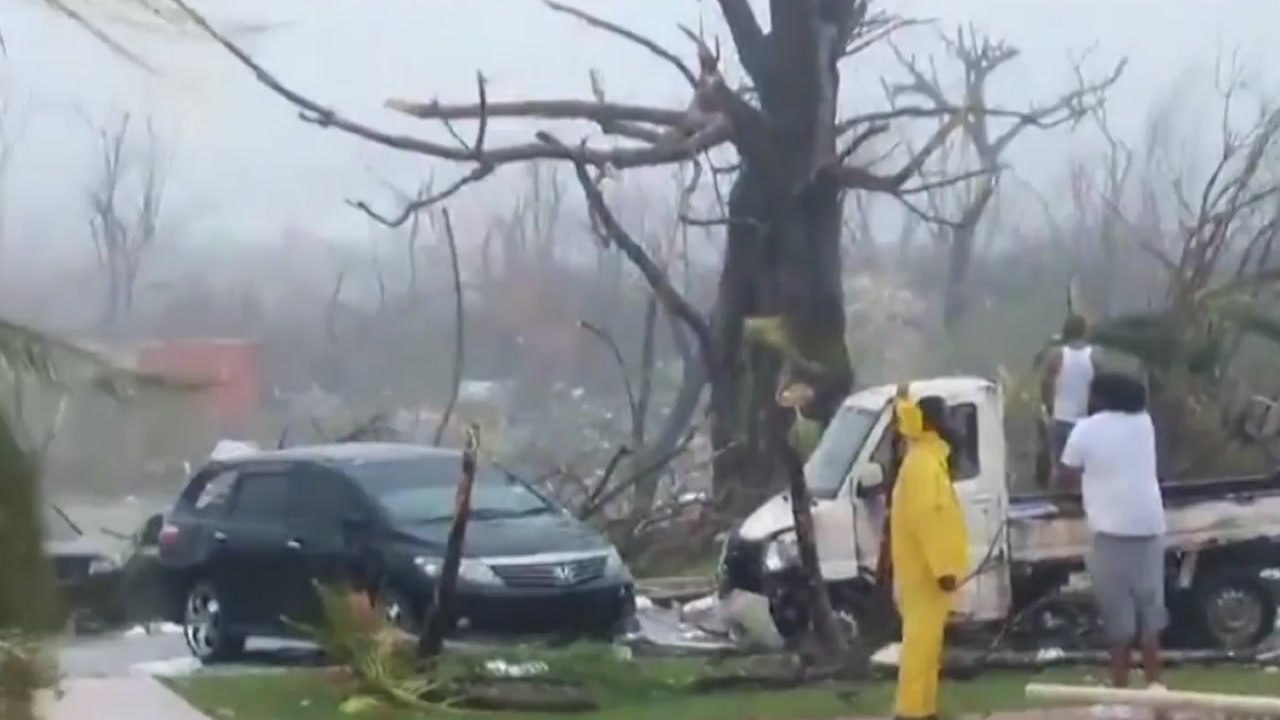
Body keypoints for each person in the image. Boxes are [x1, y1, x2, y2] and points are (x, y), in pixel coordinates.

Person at [1058, 372, 1167, 717]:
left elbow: (1064, 475)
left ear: (1101, 397)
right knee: (1150, 620)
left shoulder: (1086, 429)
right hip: (1150, 528)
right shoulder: (1144, 423)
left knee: (1119, 623)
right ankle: (1158, 699)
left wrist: (1074, 492)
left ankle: (1122, 701)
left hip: (1111, 532)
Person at [890, 383, 970, 720]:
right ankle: (911, 711)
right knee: (919, 647)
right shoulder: (923, 464)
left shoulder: (928, 459)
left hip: (926, 575)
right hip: (925, 574)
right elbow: (928, 519)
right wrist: (943, 569)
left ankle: (925, 709)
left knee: (927, 648)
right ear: (933, 423)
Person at [1042, 314, 1095, 485]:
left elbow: (1046, 384)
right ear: (1084, 332)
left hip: (1061, 419)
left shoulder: (1056, 355)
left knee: (1060, 471)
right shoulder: (1095, 356)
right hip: (1085, 421)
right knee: (1085, 473)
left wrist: (1049, 407)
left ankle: (1060, 506)